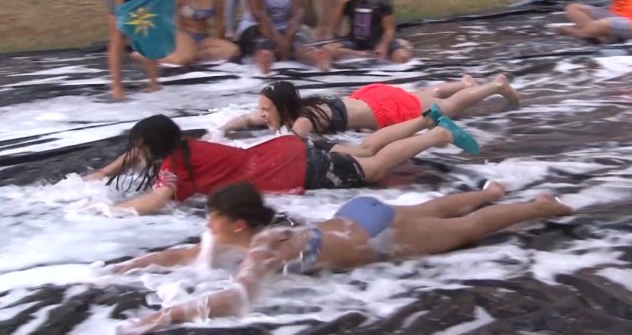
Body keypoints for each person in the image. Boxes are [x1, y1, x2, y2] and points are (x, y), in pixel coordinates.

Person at [113, 181, 572, 332]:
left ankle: (539, 206)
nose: (206, 228)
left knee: (465, 229)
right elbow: (186, 253)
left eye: (212, 219)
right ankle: (486, 190)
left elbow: (238, 298)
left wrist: (171, 315)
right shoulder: (239, 237)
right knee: (428, 211)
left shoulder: (264, 246)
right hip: (355, 216)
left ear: (236, 224)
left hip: (375, 233)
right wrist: (121, 268)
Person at [84, 110, 478, 215]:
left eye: (140, 146)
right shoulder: (182, 145)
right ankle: (427, 118)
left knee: (373, 170)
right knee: (364, 151)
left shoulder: (174, 166)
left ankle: (440, 134)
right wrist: (102, 174)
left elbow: (155, 200)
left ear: (156, 145)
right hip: (283, 150)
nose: (136, 153)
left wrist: (114, 210)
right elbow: (136, 153)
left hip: (289, 169)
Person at [221, 75, 520, 138]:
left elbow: (291, 146)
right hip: (371, 98)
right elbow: (247, 120)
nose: (262, 114)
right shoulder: (293, 111)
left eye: (266, 109)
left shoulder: (302, 120)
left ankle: (495, 86)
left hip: (380, 111)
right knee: (420, 96)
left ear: (283, 108)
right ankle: (463, 83)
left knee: (447, 108)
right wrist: (219, 130)